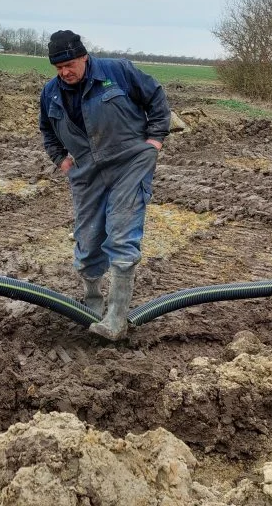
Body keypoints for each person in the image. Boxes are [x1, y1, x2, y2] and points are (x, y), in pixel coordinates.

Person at [38, 30, 170, 340]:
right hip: (87, 173)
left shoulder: (117, 72)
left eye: (69, 64)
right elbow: (47, 129)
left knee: (122, 235)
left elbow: (156, 98)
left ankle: (117, 318)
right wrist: (61, 159)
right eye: (58, 68)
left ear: (84, 56)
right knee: (88, 239)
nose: (65, 73)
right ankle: (93, 305)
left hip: (129, 165)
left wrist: (154, 141)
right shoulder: (50, 93)